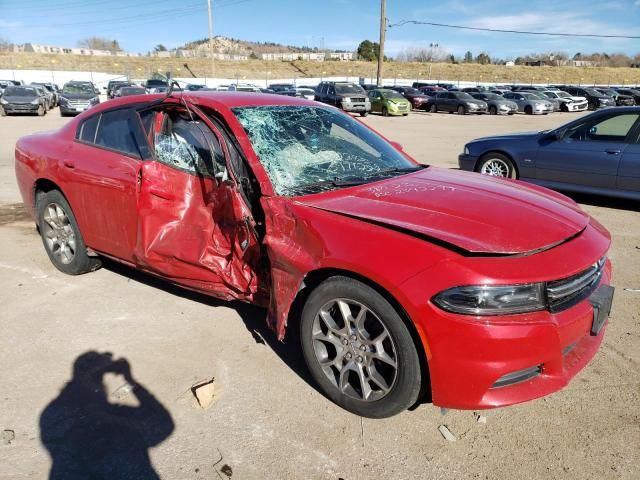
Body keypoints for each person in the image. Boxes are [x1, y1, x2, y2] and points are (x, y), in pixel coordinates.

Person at [40, 351, 174, 480]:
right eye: (98, 379)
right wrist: (130, 381)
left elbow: (163, 424)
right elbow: (163, 424)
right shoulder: (116, 421)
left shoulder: (57, 421)